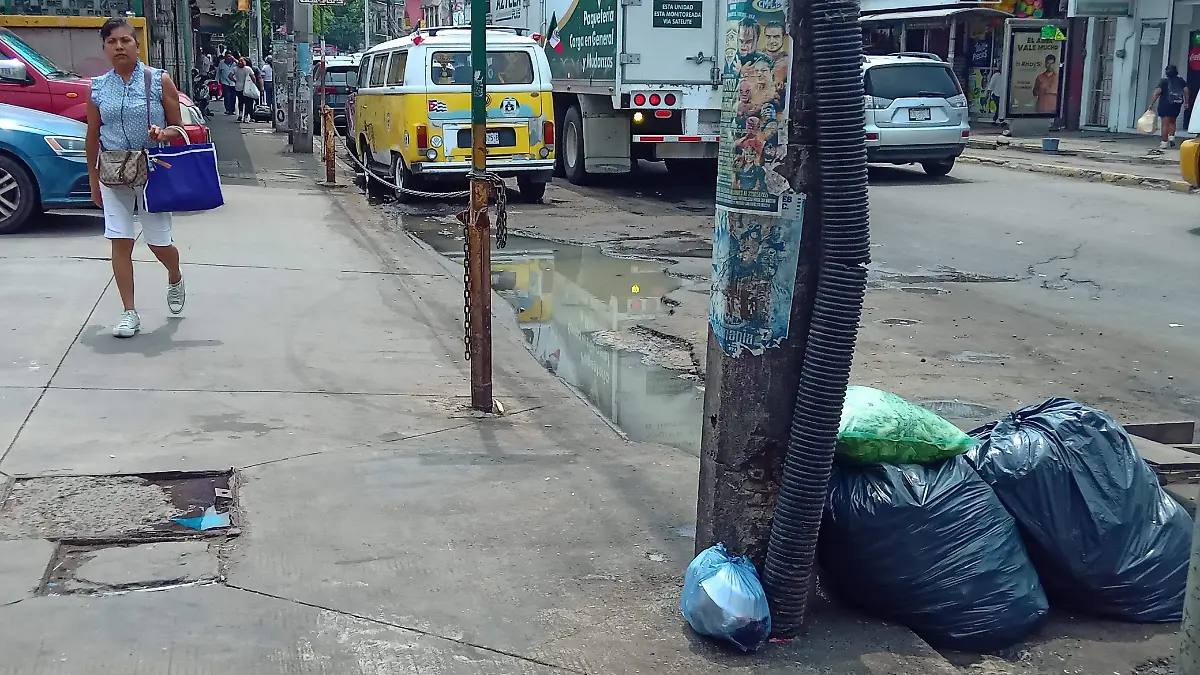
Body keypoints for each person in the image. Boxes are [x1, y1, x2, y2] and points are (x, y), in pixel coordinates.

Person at [85, 17, 186, 338]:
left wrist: (163, 133)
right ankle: (129, 312)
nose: (119, 47)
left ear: (136, 45)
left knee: (159, 243)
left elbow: (179, 128)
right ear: (104, 48)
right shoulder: (98, 87)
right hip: (113, 172)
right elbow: (93, 133)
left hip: (152, 171)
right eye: (111, 42)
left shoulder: (158, 80)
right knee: (120, 241)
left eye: (125, 40)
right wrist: (93, 178)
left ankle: (175, 274)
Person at [1149, 65, 1190, 149]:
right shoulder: (1180, 81)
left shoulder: (1164, 81)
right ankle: (1171, 138)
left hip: (1165, 104)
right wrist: (1186, 102)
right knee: (1172, 121)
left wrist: (1152, 103)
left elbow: (1157, 92)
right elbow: (1186, 90)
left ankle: (1164, 143)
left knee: (1165, 124)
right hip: (1176, 104)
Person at [234, 57, 254, 122]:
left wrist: (235, 81)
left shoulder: (235, 69)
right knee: (247, 102)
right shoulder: (248, 69)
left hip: (238, 87)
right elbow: (253, 77)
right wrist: (253, 84)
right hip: (247, 87)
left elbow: (230, 76)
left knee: (240, 101)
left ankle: (240, 114)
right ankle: (246, 116)